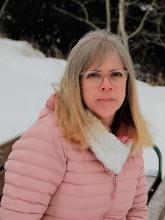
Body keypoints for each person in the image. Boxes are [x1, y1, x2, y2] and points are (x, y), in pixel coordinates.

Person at [0, 30, 153, 220]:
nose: (106, 85)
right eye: (94, 75)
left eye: (116, 74)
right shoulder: (47, 139)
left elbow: (137, 211)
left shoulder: (128, 138)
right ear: (76, 82)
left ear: (127, 80)